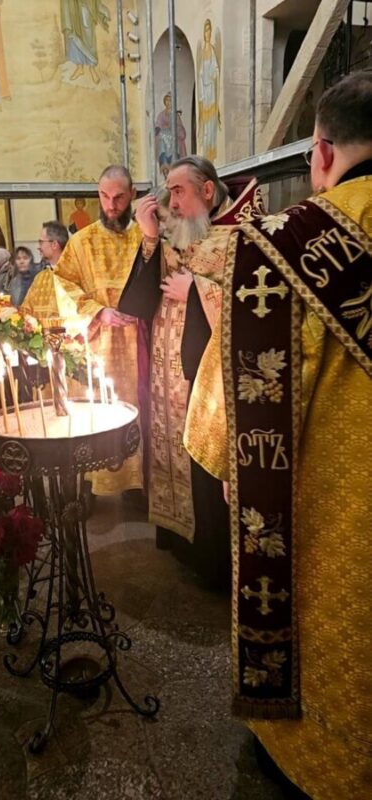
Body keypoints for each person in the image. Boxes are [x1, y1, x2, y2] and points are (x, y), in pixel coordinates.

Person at [186, 72, 372, 799]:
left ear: (320, 152)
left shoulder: (281, 247)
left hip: (338, 509)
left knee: (335, 618)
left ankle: (320, 758)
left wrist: (226, 464)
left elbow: (239, 401)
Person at [118, 155, 264, 589]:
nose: (172, 202)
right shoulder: (173, 236)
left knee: (205, 462)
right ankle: (180, 542)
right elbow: (139, 304)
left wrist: (197, 293)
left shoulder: (246, 236)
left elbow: (258, 305)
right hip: (166, 377)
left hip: (209, 377)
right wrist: (148, 239)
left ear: (207, 190)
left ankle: (212, 562)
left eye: (179, 191)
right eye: (169, 192)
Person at [47, 166, 144, 498]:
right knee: (96, 411)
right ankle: (89, 485)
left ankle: (135, 484)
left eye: (118, 197)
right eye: (104, 196)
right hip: (95, 344)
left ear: (132, 195)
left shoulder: (147, 236)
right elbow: (62, 283)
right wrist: (98, 312)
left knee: (136, 409)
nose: (111, 205)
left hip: (138, 345)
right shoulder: (81, 241)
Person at [197, 18, 221, 162]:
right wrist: (200, 95)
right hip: (204, 91)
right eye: (206, 30)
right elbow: (200, 73)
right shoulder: (202, 52)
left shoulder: (211, 50)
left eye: (209, 30)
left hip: (211, 90)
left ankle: (211, 151)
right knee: (205, 123)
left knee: (211, 122)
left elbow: (216, 69)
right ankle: (206, 151)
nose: (208, 33)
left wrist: (213, 75)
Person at [155, 93, 187, 177]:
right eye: (167, 100)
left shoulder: (175, 115)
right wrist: (159, 129)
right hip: (164, 141)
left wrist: (174, 128)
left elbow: (181, 131)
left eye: (170, 100)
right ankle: (165, 165)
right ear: (164, 102)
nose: (168, 102)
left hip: (174, 140)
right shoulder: (161, 115)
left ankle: (174, 165)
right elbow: (157, 127)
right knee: (162, 138)